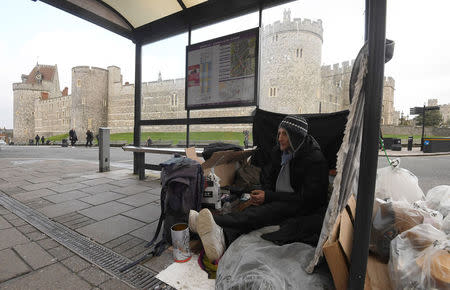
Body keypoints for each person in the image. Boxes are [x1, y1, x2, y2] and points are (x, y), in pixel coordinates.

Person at [188, 115, 329, 262]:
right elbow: (267, 177)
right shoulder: (279, 152)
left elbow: (309, 200)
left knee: (261, 214)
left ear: (296, 137)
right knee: (250, 209)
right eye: (279, 133)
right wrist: (264, 194)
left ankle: (208, 224)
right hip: (279, 197)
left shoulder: (315, 160)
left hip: (301, 205)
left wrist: (269, 197)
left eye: (285, 134)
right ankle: (219, 234)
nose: (280, 138)